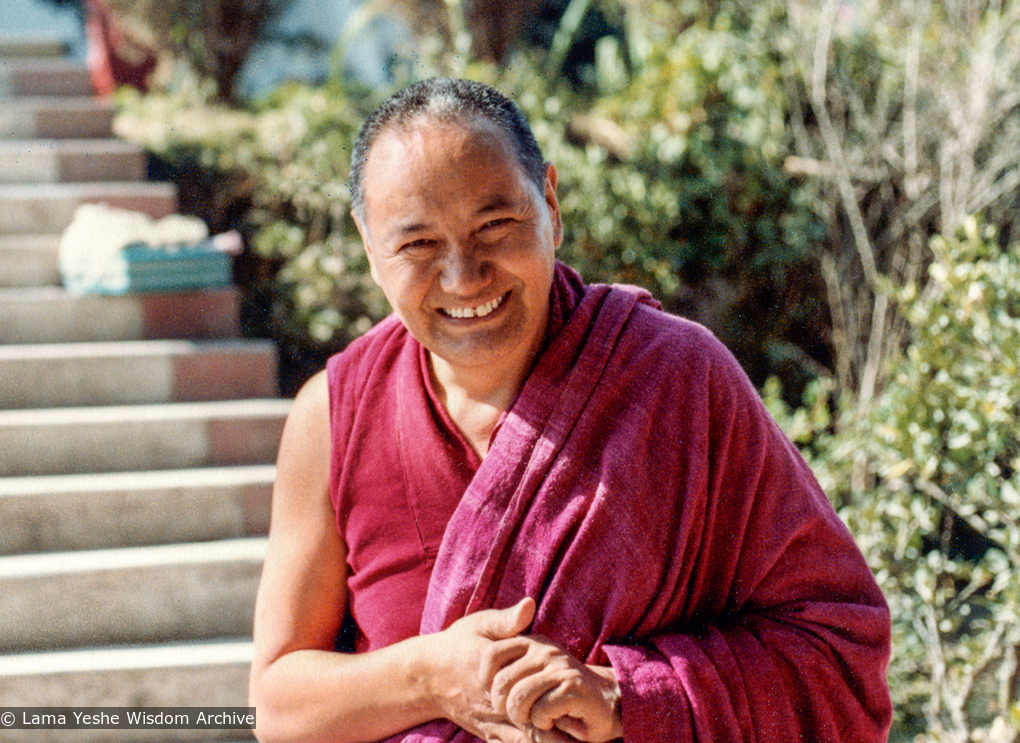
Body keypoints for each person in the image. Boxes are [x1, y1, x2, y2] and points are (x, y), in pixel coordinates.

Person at [248, 77, 893, 743]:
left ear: (551, 204)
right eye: (418, 244)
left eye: (496, 225)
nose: (465, 277)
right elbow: (275, 706)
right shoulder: (333, 418)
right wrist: (431, 675)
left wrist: (628, 695)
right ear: (369, 248)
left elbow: (839, 649)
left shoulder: (676, 381)